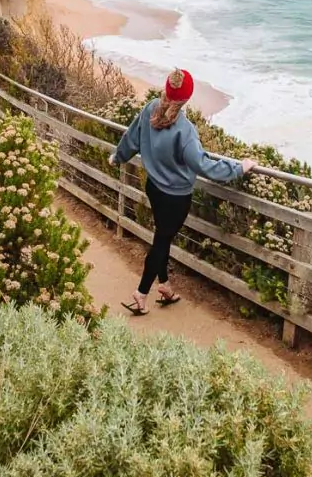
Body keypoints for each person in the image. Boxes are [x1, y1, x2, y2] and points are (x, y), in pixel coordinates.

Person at [109, 68, 255, 315]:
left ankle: (164, 287)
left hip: (154, 188)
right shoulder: (185, 131)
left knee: (161, 238)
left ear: (166, 89)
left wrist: (118, 156)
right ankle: (141, 293)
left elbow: (132, 138)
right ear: (187, 98)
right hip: (176, 198)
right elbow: (203, 165)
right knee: (161, 242)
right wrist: (239, 168)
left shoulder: (150, 108)